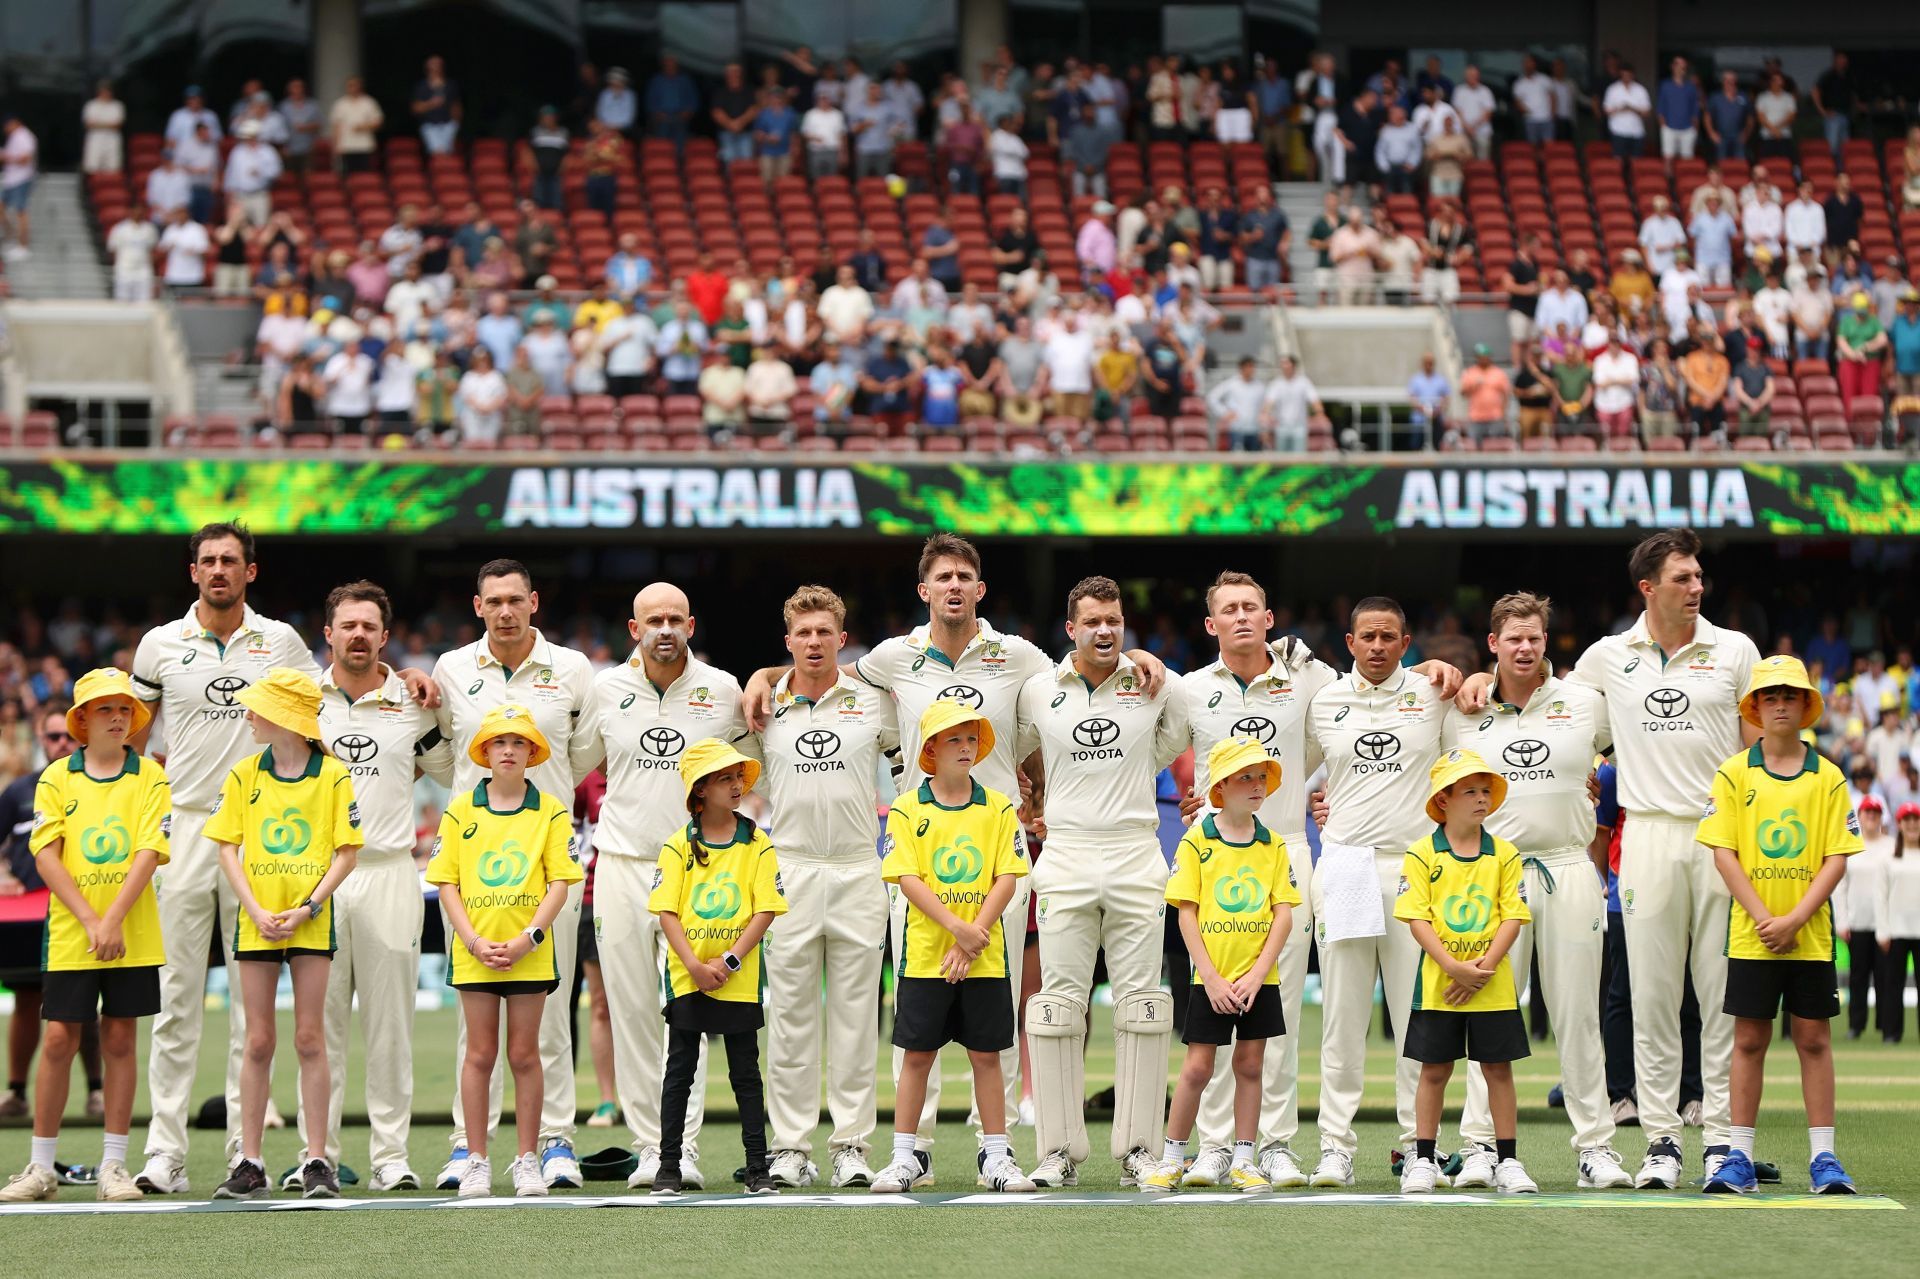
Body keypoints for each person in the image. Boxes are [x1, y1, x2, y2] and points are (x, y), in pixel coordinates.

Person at [1460, 528, 1760, 1189]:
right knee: (1651, 997)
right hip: (1646, 832)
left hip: (1719, 834)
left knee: (1718, 995)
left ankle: (1719, 1140)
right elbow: (1540, 700)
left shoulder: (1736, 650)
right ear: (1648, 587)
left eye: (1699, 574)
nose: (1697, 584)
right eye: (1683, 576)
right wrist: (1483, 674)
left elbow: (1760, 751)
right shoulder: (1606, 658)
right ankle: (1660, 1140)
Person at [129, 525, 341, 1194]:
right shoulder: (160, 644)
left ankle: (242, 1153)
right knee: (176, 998)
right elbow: (132, 737)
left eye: (231, 560)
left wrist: (409, 676)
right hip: (190, 828)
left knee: (254, 1016)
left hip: (266, 837)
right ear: (192, 570)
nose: (219, 570)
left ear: (252, 570)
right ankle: (165, 1150)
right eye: (209, 560)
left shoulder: (280, 641)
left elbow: (321, 715)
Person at [1443, 594, 1633, 1189]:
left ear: (1546, 641)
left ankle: (1596, 1148)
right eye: (1513, 639)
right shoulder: (1462, 709)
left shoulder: (1584, 704)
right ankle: (1478, 1147)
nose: (1525, 648)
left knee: (1579, 1012)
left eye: (1534, 638)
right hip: (1490, 874)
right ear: (1493, 642)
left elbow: (1633, 752)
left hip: (1569, 866)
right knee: (1489, 1011)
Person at [430, 560, 597, 1194]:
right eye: (493, 601)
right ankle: (467, 1148)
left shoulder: (573, 669)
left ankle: (553, 1143)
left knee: (548, 1021)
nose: (505, 611)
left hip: (547, 864)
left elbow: (583, 751)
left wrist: (542, 801)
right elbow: (444, 750)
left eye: (515, 600)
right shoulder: (450, 669)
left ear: (535, 602)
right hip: (475, 864)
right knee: (475, 1034)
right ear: (478, 607)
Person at [1019, 576, 1188, 1190]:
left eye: (1113, 620)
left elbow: (1181, 738)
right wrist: (1029, 791)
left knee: (1143, 1005)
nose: (1104, 630)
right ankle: (1057, 1152)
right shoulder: (1039, 690)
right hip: (1064, 854)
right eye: (1092, 621)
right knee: (1057, 1008)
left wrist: (1152, 661)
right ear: (1071, 629)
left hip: (1134, 853)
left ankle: (1140, 1152)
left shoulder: (1154, 685)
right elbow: (1008, 747)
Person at [726, 587, 897, 1189]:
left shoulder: (873, 702)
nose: (814, 642)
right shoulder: (762, 706)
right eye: (803, 634)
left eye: (825, 632)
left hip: (857, 868)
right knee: (793, 1017)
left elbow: (909, 765)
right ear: (788, 641)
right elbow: (725, 773)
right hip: (789, 867)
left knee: (855, 1017)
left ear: (841, 639)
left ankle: (851, 1145)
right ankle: (791, 1146)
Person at [581, 582, 745, 1190]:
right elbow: (574, 764)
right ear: (634, 630)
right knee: (627, 1011)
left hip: (695, 865)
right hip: (621, 864)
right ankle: (650, 1146)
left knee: (690, 1014)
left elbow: (754, 757)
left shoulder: (722, 690)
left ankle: (684, 1148)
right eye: (654, 620)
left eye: (676, 618)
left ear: (692, 625)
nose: (666, 629)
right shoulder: (605, 690)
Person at [304, 583, 452, 1193]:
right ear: (329, 633)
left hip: (390, 870)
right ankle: (320, 1155)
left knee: (390, 1023)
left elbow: (450, 768)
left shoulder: (412, 701)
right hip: (318, 877)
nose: (358, 635)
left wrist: (425, 697)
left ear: (385, 637)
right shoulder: (303, 700)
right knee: (319, 1026)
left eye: (369, 626)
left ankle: (391, 1156)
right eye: (348, 626)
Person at [0, 672, 166, 1204]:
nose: (118, 717)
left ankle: (114, 1167)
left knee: (119, 1040)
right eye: (104, 709)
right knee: (57, 1040)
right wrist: (94, 923)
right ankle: (41, 1167)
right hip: (72, 935)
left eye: (124, 709)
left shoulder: (151, 778)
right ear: (82, 721)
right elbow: (45, 855)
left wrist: (113, 919)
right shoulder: (54, 778)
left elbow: (148, 852)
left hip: (133, 932)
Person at [1698, 657, 1861, 1195]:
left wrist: (1794, 918)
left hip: (1809, 936)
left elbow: (1837, 858)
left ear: (1807, 705)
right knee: (1748, 1040)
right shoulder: (1734, 772)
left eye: (1791, 696)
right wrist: (1767, 917)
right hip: (1753, 935)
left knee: (1813, 1040)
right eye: (1770, 697)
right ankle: (1739, 1157)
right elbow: (1724, 853)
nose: (1781, 705)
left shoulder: (1829, 776)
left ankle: (1824, 1159)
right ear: (1756, 708)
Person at [1304, 597, 1451, 1188]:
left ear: (1406, 640)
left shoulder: (1432, 696)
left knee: (1415, 1018)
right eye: (1368, 636)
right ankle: (1335, 1147)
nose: (1377, 647)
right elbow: (1285, 768)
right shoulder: (1324, 701)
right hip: (1344, 865)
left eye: (1389, 637)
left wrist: (1466, 673)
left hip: (1414, 868)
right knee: (1342, 1017)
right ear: (1350, 641)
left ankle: (1417, 1149)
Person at [205, 669, 363, 1200]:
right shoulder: (244, 774)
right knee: (257, 1040)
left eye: (258, 707)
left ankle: (318, 1160)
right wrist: (253, 906)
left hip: (310, 922)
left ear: (285, 718)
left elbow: (348, 851)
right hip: (257, 923)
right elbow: (227, 845)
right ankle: (249, 1160)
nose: (248, 714)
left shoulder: (333, 776)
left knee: (310, 1037)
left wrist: (309, 906)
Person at [870, 699, 1034, 1195]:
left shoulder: (1000, 806)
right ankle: (905, 1157)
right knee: (917, 1056)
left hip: (984, 957)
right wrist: (956, 930)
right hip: (924, 956)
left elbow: (1009, 874)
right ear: (931, 749)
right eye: (953, 740)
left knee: (987, 1056)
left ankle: (997, 1157)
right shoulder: (906, 808)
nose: (965, 748)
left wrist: (972, 935)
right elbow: (906, 877)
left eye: (971, 739)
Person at [427, 705, 581, 1199]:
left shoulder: (552, 810)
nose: (509, 751)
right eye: (499, 743)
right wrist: (473, 940)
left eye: (518, 743)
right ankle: (475, 1160)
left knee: (524, 1054)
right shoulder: (460, 809)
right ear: (485, 752)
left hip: (529, 953)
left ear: (533, 753)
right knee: (478, 1054)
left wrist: (528, 938)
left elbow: (560, 883)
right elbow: (446, 883)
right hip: (475, 952)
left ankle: (527, 1160)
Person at [1140, 736, 1299, 1195]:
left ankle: (1245, 1160)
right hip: (1207, 980)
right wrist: (1209, 977)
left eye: (1260, 777)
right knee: (1196, 1069)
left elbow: (1283, 914)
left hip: (1258, 980)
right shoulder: (1197, 841)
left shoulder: (1272, 844)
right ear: (1221, 787)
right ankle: (1171, 1159)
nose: (1255, 785)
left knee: (1251, 1066)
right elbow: (1184, 911)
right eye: (1243, 777)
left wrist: (1255, 975)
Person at [1394, 749, 1539, 1195]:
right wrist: (1454, 967)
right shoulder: (1421, 855)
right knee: (1434, 1070)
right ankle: (1422, 1159)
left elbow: (1513, 915)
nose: (1481, 799)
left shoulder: (1506, 853)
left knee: (1498, 1069)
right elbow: (1417, 918)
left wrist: (1485, 968)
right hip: (1440, 986)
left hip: (1492, 987)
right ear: (1443, 800)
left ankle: (1508, 1161)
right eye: (1469, 791)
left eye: (1485, 791)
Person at [647, 739, 788, 1197]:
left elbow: (765, 909)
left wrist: (727, 961)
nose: (736, 785)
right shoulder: (676, 845)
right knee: (680, 1071)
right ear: (700, 790)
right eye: (724, 778)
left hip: (738, 979)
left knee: (746, 1075)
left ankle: (756, 1168)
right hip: (688, 979)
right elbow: (666, 911)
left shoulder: (758, 842)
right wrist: (693, 964)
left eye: (738, 778)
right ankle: (668, 1167)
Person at [1833, 797, 1893, 1040]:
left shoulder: (1891, 846)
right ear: (1860, 815)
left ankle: (1885, 1025)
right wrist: (1842, 921)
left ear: (1881, 817)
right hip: (1857, 922)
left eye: (1875, 813)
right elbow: (1840, 886)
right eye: (1867, 812)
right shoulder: (1850, 845)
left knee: (1885, 977)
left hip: (1885, 924)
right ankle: (1856, 1025)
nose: (1871, 817)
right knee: (1858, 978)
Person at [1882, 804, 1920, 1043]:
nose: (1912, 824)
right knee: (1892, 985)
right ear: (1899, 824)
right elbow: (1881, 896)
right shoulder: (1889, 860)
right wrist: (1882, 932)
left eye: (1915, 820)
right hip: (1896, 930)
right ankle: (1891, 1033)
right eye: (1907, 820)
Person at [329, 76, 384, 175]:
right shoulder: (340, 104)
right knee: (347, 176)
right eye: (350, 85)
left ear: (360, 86)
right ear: (346, 87)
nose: (353, 87)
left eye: (355, 85)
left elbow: (378, 122)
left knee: (364, 175)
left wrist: (364, 127)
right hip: (346, 146)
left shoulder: (369, 102)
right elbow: (336, 126)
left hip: (365, 146)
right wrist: (336, 145)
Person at [0, 115, 37, 258]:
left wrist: (5, 157)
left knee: (21, 211)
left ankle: (23, 246)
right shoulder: (15, 137)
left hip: (21, 179)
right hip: (11, 179)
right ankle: (10, 234)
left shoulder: (24, 137)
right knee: (1, 206)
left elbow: (25, 159)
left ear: (15, 123)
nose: (6, 129)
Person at [411, 55, 461, 155]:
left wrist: (455, 124)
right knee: (437, 152)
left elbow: (456, 106)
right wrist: (431, 103)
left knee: (447, 152)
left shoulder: (450, 85)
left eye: (438, 64)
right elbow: (415, 108)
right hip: (429, 125)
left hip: (448, 125)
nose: (435, 67)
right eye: (433, 64)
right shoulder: (422, 86)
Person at [81, 83, 125, 175]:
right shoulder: (91, 105)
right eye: (103, 91)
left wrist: (98, 124)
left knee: (113, 168)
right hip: (95, 139)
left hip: (112, 140)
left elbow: (117, 125)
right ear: (99, 92)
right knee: (92, 167)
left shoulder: (117, 106)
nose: (106, 93)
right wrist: (108, 124)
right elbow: (88, 124)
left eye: (108, 91)